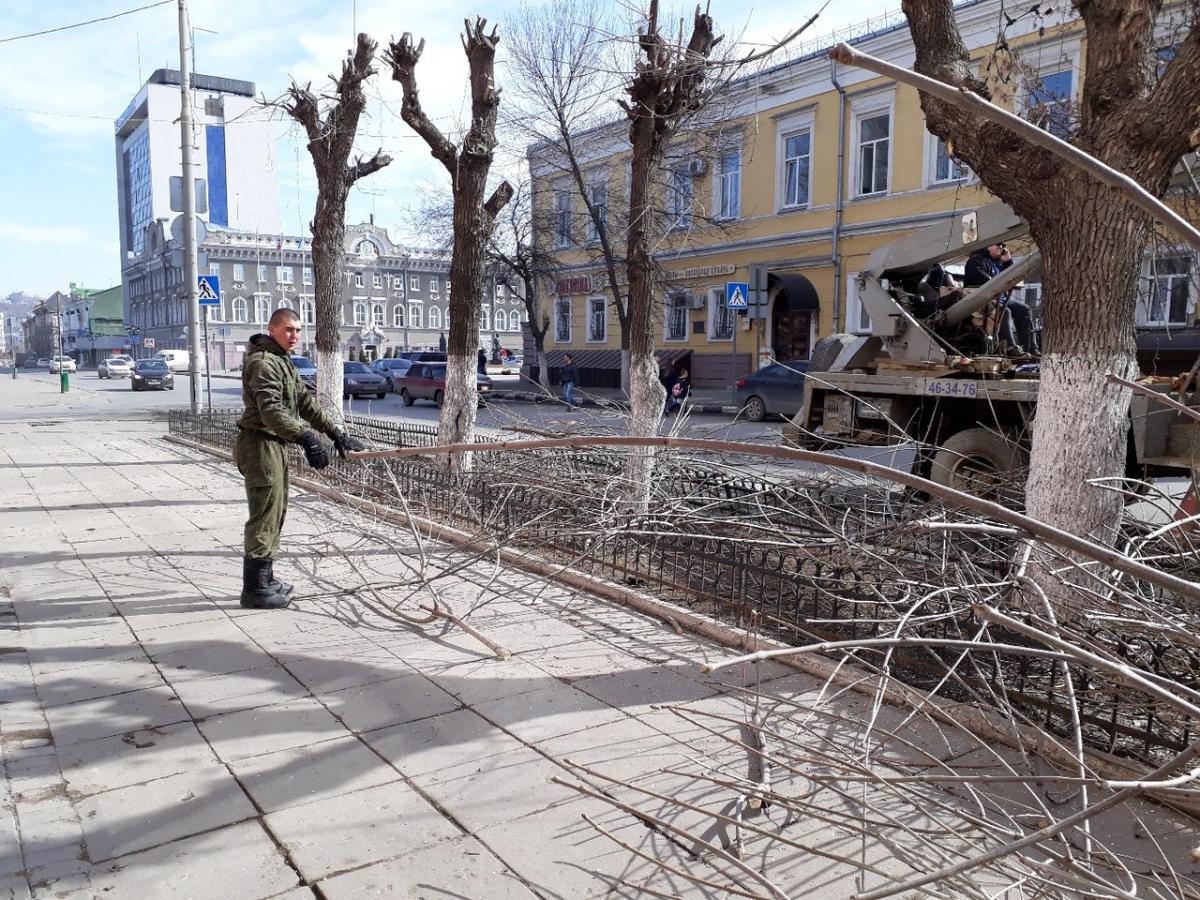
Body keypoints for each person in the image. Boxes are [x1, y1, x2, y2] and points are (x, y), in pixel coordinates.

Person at [235, 308, 364, 609]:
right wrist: (305, 437)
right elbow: (271, 411)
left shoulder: (282, 361)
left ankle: (265, 578)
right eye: (289, 330)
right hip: (259, 446)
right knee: (264, 514)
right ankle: (253, 589)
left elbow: (305, 403)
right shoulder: (263, 363)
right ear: (272, 330)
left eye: (298, 330)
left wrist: (335, 433)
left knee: (276, 510)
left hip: (273, 445)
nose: (295, 336)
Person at [963, 243, 1037, 355]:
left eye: (1003, 245)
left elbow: (1011, 276)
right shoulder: (976, 260)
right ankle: (1009, 348)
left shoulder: (999, 262)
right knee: (1004, 311)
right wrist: (997, 282)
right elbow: (981, 280)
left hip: (999, 298)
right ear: (988, 245)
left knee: (1024, 309)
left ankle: (1031, 349)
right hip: (981, 300)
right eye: (998, 244)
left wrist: (1008, 261)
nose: (1001, 248)